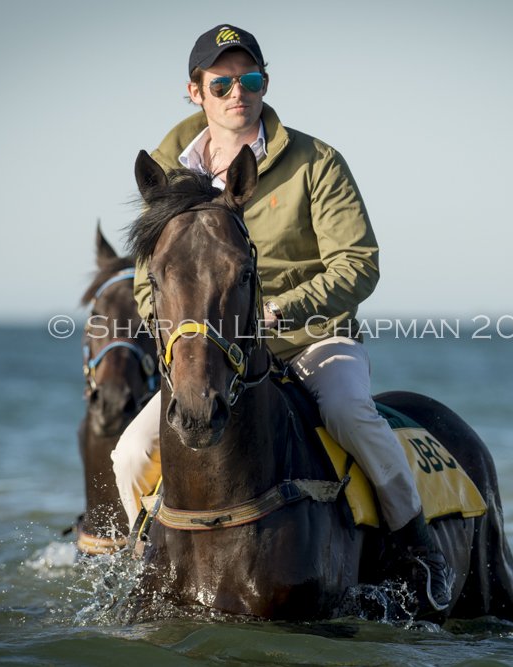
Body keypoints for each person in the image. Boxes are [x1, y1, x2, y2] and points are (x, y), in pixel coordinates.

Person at [110, 24, 454, 612]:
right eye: (221, 83)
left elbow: (359, 264)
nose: (236, 93)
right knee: (132, 451)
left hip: (314, 339)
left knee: (349, 413)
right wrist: (174, 338)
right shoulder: (168, 168)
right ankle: (143, 556)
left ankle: (418, 549)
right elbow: (152, 274)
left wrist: (281, 309)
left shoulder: (318, 162)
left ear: (265, 83)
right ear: (196, 91)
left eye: (250, 79)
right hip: (212, 350)